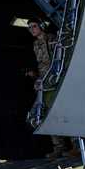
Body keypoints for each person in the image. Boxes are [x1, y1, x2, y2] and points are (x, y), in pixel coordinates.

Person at [29, 22, 70, 159]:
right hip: (45, 83)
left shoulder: (51, 39)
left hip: (56, 81)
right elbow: (41, 65)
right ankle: (59, 147)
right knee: (48, 113)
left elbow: (58, 60)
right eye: (29, 27)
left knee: (65, 111)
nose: (32, 29)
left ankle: (76, 146)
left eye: (34, 26)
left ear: (41, 26)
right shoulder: (35, 45)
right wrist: (37, 78)